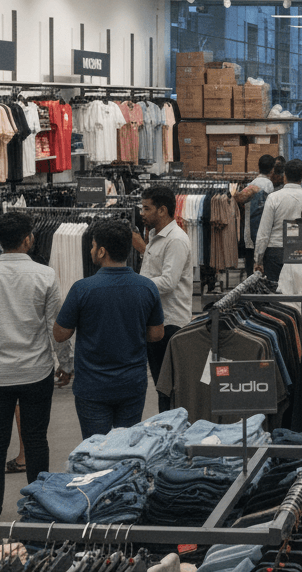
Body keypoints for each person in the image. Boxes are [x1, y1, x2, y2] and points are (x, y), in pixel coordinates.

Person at [0, 211, 69, 531]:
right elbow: (58, 327)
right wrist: (65, 362)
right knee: (36, 441)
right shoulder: (45, 275)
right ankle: (39, 509)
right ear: (27, 239)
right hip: (37, 370)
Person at [54, 219, 164, 439]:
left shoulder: (82, 289)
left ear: (102, 251)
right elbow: (156, 334)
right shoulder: (147, 287)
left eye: (93, 246)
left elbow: (60, 334)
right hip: (131, 383)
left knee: (96, 451)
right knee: (126, 447)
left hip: (92, 386)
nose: (91, 250)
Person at [131, 184, 193, 411]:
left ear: (162, 210)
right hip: (156, 321)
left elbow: (167, 282)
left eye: (147, 208)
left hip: (171, 324)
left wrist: (134, 285)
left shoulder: (176, 240)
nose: (142, 213)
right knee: (160, 384)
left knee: (169, 387)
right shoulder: (155, 236)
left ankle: (172, 430)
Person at [255, 159, 302, 281]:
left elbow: (264, 232)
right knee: (299, 292)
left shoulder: (273, 198)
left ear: (284, 176)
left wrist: (258, 259)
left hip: (276, 252)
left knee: (275, 293)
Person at [236, 154, 276, 274]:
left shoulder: (251, 183)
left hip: (248, 230)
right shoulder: (268, 185)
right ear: (272, 169)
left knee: (249, 264)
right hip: (261, 230)